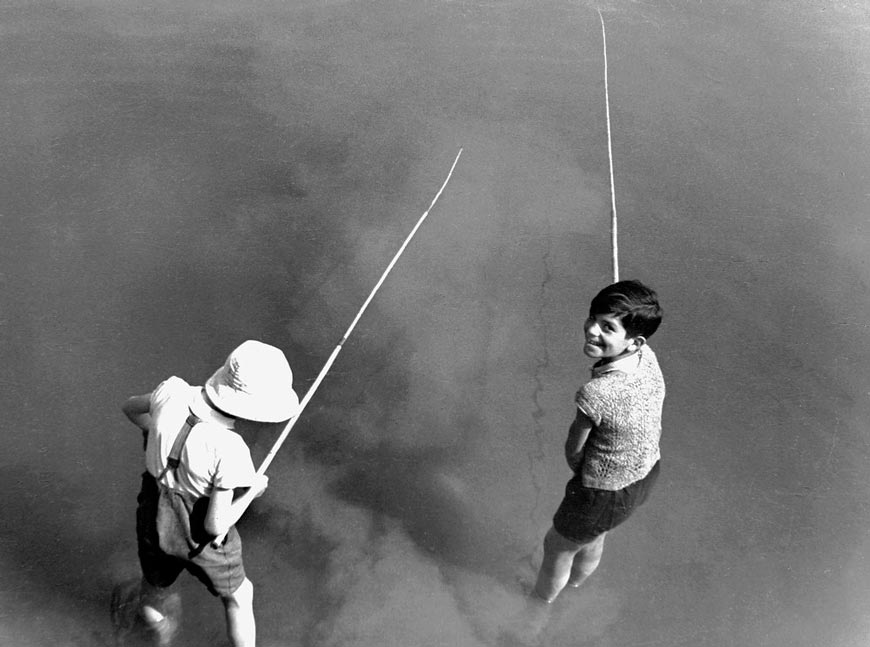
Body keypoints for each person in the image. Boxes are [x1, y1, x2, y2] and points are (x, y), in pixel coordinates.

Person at [112, 340, 300, 647]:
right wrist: (251, 493)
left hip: (153, 514)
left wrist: (157, 432)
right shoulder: (230, 449)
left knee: (153, 584)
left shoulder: (171, 391)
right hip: (197, 536)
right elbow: (215, 527)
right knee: (240, 597)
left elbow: (130, 409)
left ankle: (155, 633)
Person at [533, 280, 664, 603]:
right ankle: (575, 587)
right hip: (644, 476)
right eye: (593, 318)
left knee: (557, 548)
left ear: (635, 342)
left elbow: (573, 450)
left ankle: (538, 607)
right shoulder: (647, 358)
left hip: (601, 494)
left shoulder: (597, 394)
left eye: (607, 327)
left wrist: (582, 477)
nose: (591, 330)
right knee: (593, 535)